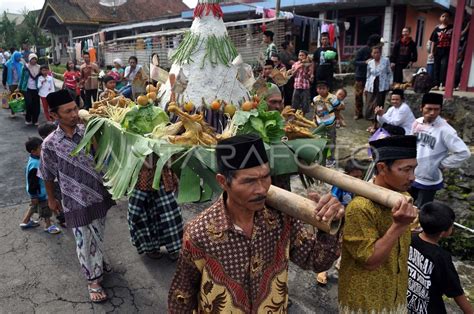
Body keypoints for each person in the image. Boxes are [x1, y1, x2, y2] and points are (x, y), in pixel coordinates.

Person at [168, 134, 344, 312]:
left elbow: (316, 262)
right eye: (249, 181)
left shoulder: (282, 218)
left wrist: (329, 222)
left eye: (265, 177)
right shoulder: (200, 233)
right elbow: (182, 296)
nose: (261, 189)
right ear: (223, 182)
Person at [39, 89, 115, 302]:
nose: (75, 114)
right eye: (68, 111)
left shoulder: (89, 131)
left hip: (98, 193)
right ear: (54, 116)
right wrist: (52, 199)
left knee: (98, 233)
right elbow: (47, 174)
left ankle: (98, 263)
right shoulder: (50, 144)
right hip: (74, 200)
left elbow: (103, 155)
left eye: (75, 109)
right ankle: (93, 281)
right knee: (83, 238)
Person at [339, 135, 418, 313]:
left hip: (394, 293)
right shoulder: (360, 207)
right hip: (364, 301)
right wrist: (398, 226)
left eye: (414, 169)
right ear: (382, 168)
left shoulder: (403, 198)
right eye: (406, 170)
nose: (413, 177)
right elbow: (370, 261)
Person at [407, 202, 473, 314]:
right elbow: (456, 292)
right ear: (443, 233)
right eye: (452, 225)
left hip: (407, 302)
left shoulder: (410, 238)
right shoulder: (442, 257)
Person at [411, 93, 470, 208]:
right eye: (429, 109)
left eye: (436, 109)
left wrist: (442, 164)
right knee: (406, 205)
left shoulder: (446, 130)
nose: (432, 113)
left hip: (428, 178)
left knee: (422, 211)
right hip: (411, 174)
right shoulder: (417, 123)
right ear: (421, 108)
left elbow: (464, 153)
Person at [316, 159, 364, 285]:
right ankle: (323, 270)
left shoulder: (361, 187)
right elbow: (333, 199)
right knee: (330, 244)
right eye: (355, 176)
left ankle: (340, 263)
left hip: (350, 219)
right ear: (347, 174)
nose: (358, 179)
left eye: (360, 177)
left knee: (346, 243)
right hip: (337, 218)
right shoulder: (340, 185)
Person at [128, 155, 183, 260]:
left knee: (170, 214)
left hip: (162, 177)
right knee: (143, 216)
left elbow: (172, 156)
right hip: (141, 180)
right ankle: (150, 248)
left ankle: (174, 248)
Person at [20, 137, 61, 234]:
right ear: (33, 151)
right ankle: (48, 226)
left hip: (38, 192)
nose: (44, 150)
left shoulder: (34, 159)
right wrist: (34, 195)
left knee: (34, 206)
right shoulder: (35, 165)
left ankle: (25, 221)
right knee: (45, 209)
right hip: (40, 193)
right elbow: (33, 182)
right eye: (41, 148)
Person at [37, 122, 66, 227]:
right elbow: (45, 174)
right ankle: (62, 218)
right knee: (59, 201)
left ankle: (63, 216)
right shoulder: (46, 148)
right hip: (55, 182)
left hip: (59, 182)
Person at [365, 45, 392, 133]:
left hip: (381, 85)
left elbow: (389, 73)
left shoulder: (385, 61)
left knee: (378, 105)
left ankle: (376, 125)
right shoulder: (370, 63)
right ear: (371, 54)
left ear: (380, 53)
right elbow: (368, 75)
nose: (376, 54)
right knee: (370, 105)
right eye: (374, 53)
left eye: (378, 52)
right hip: (371, 86)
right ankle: (373, 123)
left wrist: (390, 83)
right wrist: (366, 87)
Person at [353, 34, 381, 120]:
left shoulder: (378, 51)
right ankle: (358, 113)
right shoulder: (362, 50)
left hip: (372, 78)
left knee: (370, 97)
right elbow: (355, 62)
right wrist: (365, 62)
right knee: (358, 96)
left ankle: (370, 114)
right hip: (360, 77)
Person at [312, 81, 340, 167]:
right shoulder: (315, 99)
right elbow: (315, 109)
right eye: (319, 88)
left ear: (328, 89)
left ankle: (331, 159)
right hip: (319, 123)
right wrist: (314, 118)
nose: (321, 90)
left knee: (331, 141)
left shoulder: (332, 98)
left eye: (323, 88)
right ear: (317, 89)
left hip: (330, 123)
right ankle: (321, 157)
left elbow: (338, 108)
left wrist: (338, 119)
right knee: (320, 140)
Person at [429, 12, 453, 91]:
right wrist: (431, 52)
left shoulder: (451, 27)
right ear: (440, 18)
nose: (445, 18)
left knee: (444, 66)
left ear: (449, 18)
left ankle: (443, 84)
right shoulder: (437, 29)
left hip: (447, 50)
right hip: (438, 50)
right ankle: (436, 84)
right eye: (443, 16)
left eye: (446, 16)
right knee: (436, 67)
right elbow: (433, 41)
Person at [19, 53, 41, 126]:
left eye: (35, 59)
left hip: (37, 89)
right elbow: (22, 78)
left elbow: (44, 75)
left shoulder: (39, 67)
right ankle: (28, 119)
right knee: (29, 104)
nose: (34, 60)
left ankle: (35, 120)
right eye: (32, 59)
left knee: (36, 105)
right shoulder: (25, 67)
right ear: (29, 59)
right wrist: (19, 87)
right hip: (27, 88)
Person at [6, 51, 24, 117]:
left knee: (21, 97)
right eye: (19, 57)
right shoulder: (8, 64)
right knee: (12, 98)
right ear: (15, 57)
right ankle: (12, 113)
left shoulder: (21, 64)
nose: (20, 58)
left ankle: (22, 110)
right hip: (12, 83)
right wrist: (4, 83)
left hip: (20, 83)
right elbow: (5, 74)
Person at [279, 41, 297, 107]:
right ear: (287, 45)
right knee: (287, 91)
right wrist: (299, 64)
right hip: (286, 74)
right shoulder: (283, 53)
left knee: (292, 90)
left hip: (293, 74)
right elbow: (290, 62)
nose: (292, 45)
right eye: (291, 43)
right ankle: (287, 106)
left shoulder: (292, 53)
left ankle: (292, 105)